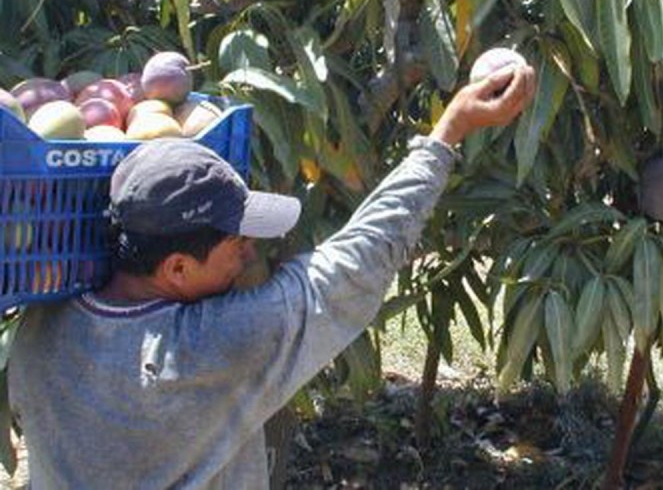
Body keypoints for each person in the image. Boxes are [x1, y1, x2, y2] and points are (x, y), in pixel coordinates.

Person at [8, 63, 536, 489]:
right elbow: (359, 259)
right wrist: (448, 132)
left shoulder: (43, 321)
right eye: (235, 242)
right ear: (176, 267)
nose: (251, 248)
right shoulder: (207, 348)